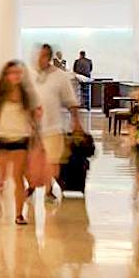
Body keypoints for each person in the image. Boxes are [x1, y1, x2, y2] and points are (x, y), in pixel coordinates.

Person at [0, 59, 43, 224]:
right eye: (12, 73)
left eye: (19, 73)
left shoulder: (27, 93)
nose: (16, 76)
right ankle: (0, 198)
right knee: (3, 178)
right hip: (2, 138)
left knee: (18, 178)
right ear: (6, 75)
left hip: (21, 138)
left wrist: (37, 121)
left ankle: (19, 214)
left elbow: (35, 116)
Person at [32, 44, 81, 201]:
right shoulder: (29, 75)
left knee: (52, 161)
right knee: (33, 160)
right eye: (38, 56)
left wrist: (76, 122)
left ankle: (48, 189)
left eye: (43, 56)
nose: (40, 59)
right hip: (32, 128)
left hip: (53, 127)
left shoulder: (60, 76)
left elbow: (71, 101)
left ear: (49, 57)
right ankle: (32, 185)